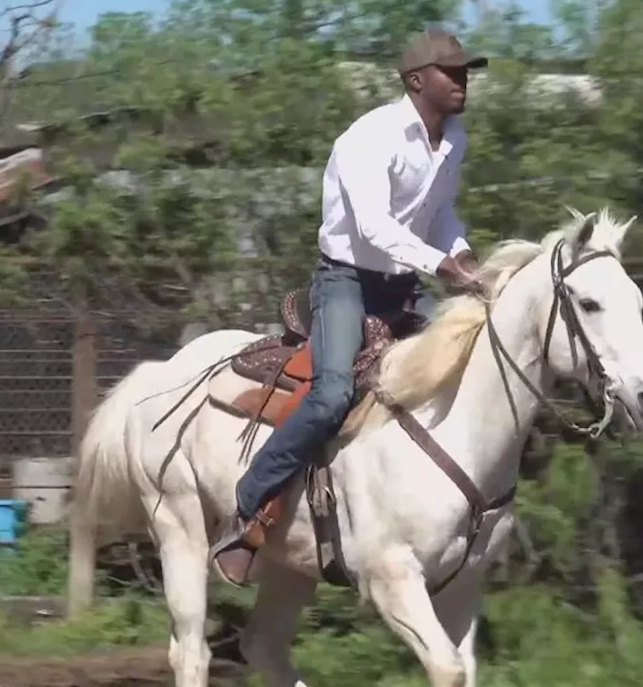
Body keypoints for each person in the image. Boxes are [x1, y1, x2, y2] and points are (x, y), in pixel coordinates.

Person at [209, 29, 489, 587]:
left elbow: (440, 213)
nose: (462, 81)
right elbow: (374, 227)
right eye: (450, 71)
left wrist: (464, 255)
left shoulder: (453, 139)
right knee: (332, 392)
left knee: (470, 368)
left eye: (465, 72)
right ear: (416, 80)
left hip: (403, 283)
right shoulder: (370, 136)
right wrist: (444, 266)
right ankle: (249, 505)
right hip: (345, 282)